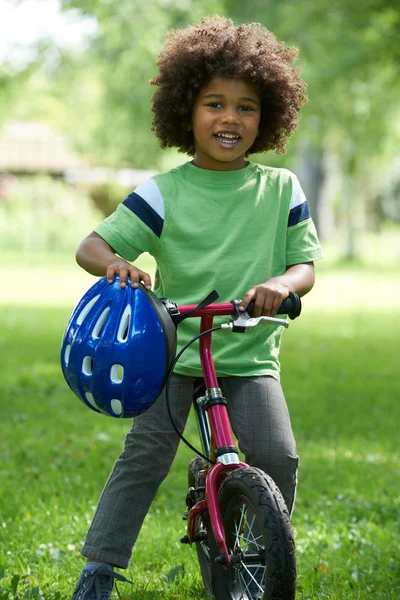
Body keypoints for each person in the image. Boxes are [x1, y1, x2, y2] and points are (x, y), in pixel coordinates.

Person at [71, 15, 323, 600]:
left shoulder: (281, 188)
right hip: (171, 349)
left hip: (248, 349)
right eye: (214, 103)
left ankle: (250, 553)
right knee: (146, 456)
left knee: (277, 457)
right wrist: (119, 265)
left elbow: (304, 266)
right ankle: (100, 570)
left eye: (246, 107)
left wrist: (281, 287)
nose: (230, 118)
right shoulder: (166, 191)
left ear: (268, 118)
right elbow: (92, 246)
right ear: (187, 110)